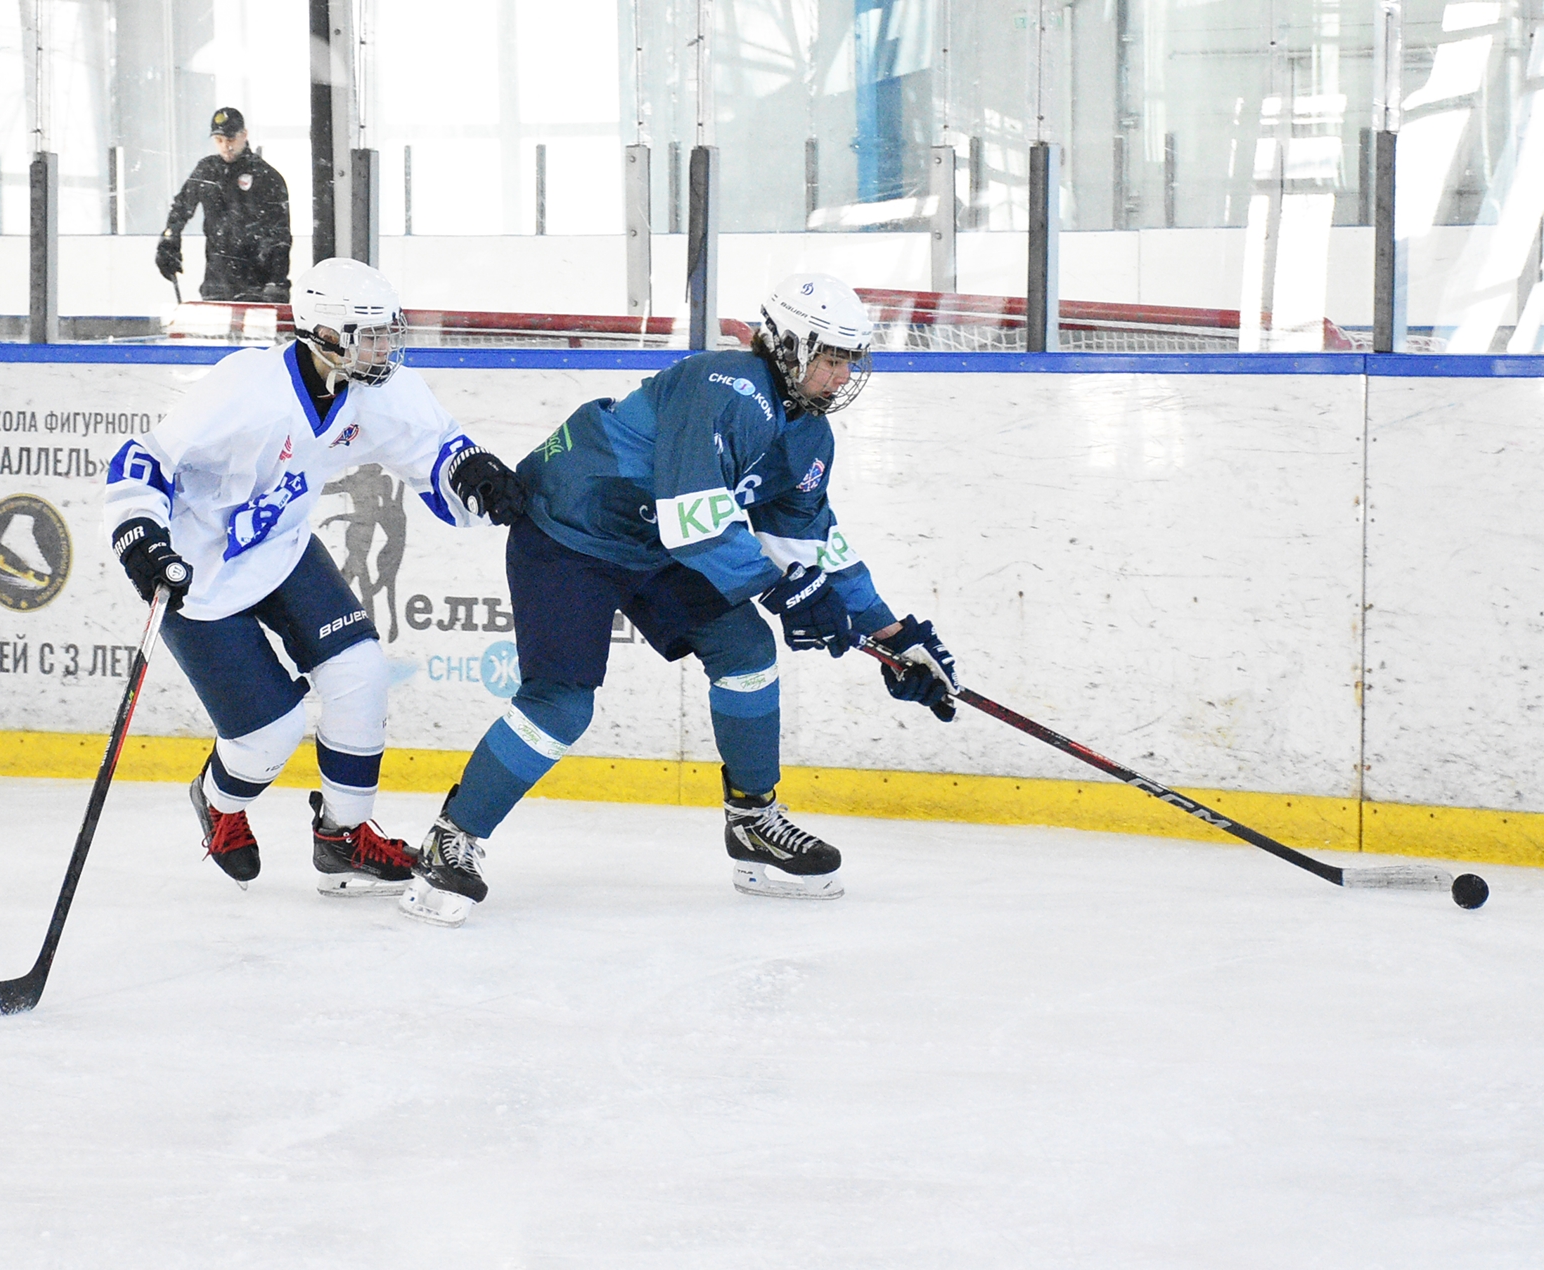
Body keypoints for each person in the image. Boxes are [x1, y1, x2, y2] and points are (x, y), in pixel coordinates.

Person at [399, 273, 960, 928]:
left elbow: (814, 544)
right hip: (570, 527)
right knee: (562, 704)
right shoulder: (725, 384)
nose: (841, 376)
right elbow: (694, 522)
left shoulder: (809, 437)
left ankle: (752, 820)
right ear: (789, 347)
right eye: (831, 357)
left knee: (747, 650)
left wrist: (891, 636)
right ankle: (452, 838)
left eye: (848, 361)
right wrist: (790, 589)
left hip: (653, 544)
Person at [102, 257, 527, 896]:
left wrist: (472, 475)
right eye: (369, 335)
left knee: (361, 674)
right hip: (199, 573)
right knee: (268, 737)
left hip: (284, 549)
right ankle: (218, 800)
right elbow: (145, 459)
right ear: (323, 336)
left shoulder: (379, 389)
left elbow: (438, 447)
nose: (385, 347)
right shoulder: (246, 388)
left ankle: (343, 836)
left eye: (390, 331)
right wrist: (139, 535)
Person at [155, 107, 293, 303]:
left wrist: (276, 282)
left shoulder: (266, 177)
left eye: (230, 139)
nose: (225, 146)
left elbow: (280, 234)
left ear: (244, 135)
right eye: (219, 141)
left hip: (257, 285)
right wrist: (169, 241)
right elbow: (181, 208)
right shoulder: (207, 172)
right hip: (217, 283)